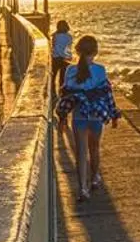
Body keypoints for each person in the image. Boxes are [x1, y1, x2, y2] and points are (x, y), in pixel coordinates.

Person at [57, 34, 121, 200]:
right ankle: (94, 178)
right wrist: (114, 115)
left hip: (79, 116)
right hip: (96, 117)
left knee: (81, 153)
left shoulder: (70, 70)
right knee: (94, 148)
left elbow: (66, 97)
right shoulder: (100, 70)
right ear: (95, 52)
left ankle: (82, 189)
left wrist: (62, 118)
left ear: (77, 51)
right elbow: (107, 94)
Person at [50, 19, 72, 92]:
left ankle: (52, 90)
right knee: (63, 77)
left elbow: (53, 46)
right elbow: (68, 48)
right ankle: (62, 91)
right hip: (65, 59)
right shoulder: (69, 36)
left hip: (56, 58)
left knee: (53, 76)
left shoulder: (55, 36)